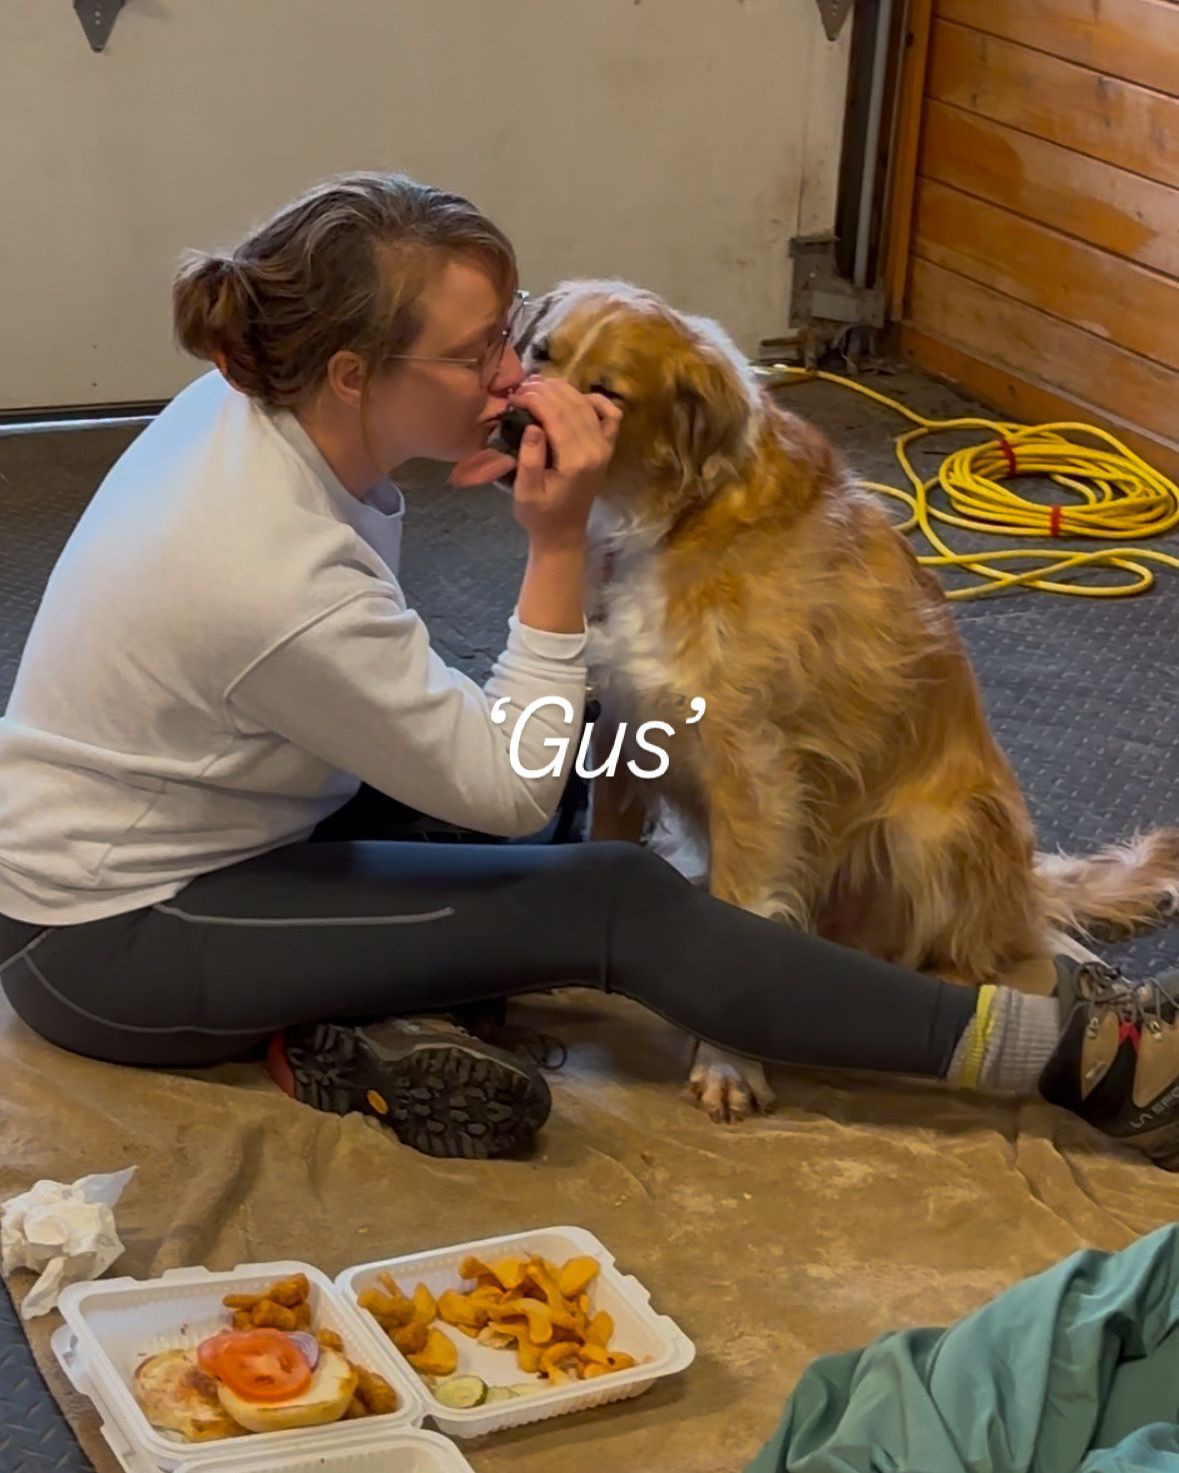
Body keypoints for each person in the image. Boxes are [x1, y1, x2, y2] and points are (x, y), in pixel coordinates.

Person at [0, 172, 1176, 1168]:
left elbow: (503, 747)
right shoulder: (265, 571)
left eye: (514, 333)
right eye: (477, 356)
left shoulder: (264, 399)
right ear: (355, 370)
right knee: (610, 891)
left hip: (244, 820)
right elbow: (504, 785)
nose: (518, 379)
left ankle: (379, 1023)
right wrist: (556, 544)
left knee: (587, 753)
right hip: (112, 940)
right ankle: (1075, 1055)